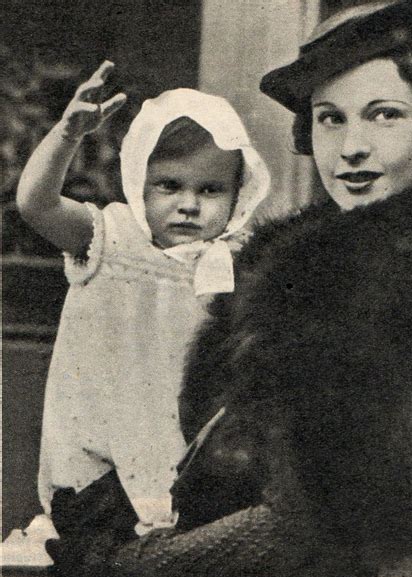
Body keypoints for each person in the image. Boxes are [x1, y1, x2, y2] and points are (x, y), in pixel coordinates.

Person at [45, 1, 412, 577]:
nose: (352, 147)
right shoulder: (289, 260)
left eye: (385, 115)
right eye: (330, 119)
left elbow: (333, 524)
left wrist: (129, 569)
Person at [15, 61, 270, 540]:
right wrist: (67, 137)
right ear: (139, 182)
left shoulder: (239, 262)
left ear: (240, 193)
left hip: (190, 469)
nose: (189, 204)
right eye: (169, 185)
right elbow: (36, 205)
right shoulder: (112, 239)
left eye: (211, 190)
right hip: (102, 462)